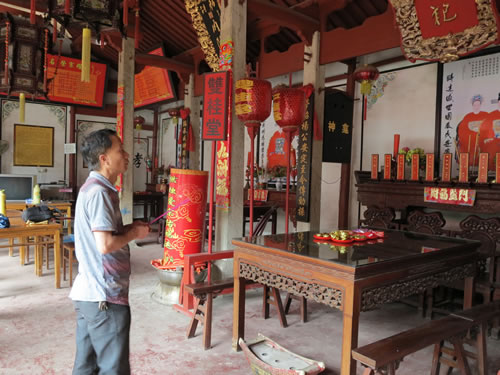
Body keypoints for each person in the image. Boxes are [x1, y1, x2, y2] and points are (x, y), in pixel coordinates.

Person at [70, 129, 150, 375]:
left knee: (86, 367)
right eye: (120, 150)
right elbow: (104, 245)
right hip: (105, 297)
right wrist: (134, 235)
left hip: (89, 295)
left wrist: (128, 228)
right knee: (113, 368)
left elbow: (105, 235)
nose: (126, 155)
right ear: (104, 158)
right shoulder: (100, 192)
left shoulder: (94, 188)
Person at [456, 94, 488, 166]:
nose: (476, 107)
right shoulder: (468, 116)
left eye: (478, 105)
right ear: (472, 105)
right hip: (471, 141)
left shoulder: (486, 115)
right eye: (475, 105)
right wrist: (474, 134)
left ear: (480, 105)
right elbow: (462, 130)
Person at [479, 93, 500, 170]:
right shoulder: (490, 116)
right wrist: (485, 139)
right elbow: (482, 132)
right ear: (498, 102)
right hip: (492, 145)